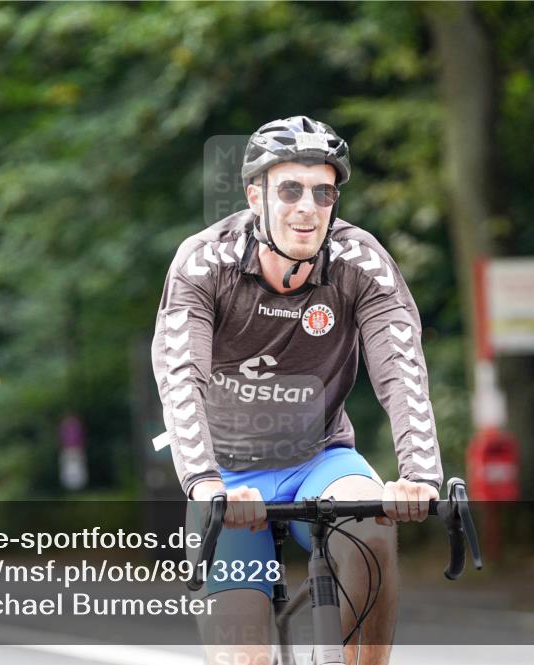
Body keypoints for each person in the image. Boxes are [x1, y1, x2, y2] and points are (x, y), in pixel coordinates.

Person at [151, 116, 443, 665]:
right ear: (254, 194)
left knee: (372, 533)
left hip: (321, 459)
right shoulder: (203, 263)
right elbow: (179, 377)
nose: (307, 207)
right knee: (246, 658)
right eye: (290, 189)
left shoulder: (361, 262)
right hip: (229, 474)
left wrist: (421, 475)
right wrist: (204, 483)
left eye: (323, 191)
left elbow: (401, 370)